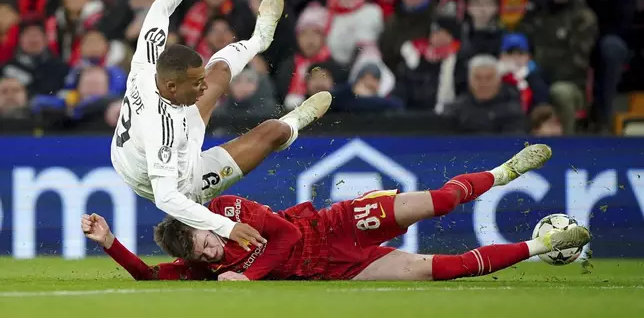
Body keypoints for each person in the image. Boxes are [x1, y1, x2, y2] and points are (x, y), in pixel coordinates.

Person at [109, 0, 332, 252]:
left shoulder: (147, 62)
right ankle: (295, 123)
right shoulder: (163, 131)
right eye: (195, 84)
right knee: (272, 131)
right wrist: (228, 227)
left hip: (168, 126)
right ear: (172, 86)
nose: (204, 88)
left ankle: (259, 40)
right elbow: (167, 198)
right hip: (181, 179)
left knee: (221, 70)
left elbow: (161, 7)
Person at [84, 144, 591, 281]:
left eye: (208, 238)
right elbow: (151, 277)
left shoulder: (222, 208)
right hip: (338, 268)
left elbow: (281, 238)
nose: (217, 246)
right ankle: (543, 246)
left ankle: (504, 171)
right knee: (441, 270)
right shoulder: (203, 267)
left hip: (336, 225)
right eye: (208, 251)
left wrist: (250, 277)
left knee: (440, 202)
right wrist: (110, 244)